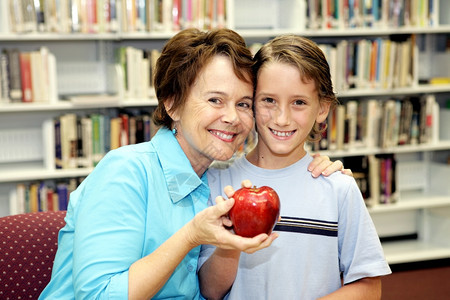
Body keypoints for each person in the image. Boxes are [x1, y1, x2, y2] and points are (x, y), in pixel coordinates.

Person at [39, 29, 340, 300]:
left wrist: (315, 171)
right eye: (215, 100)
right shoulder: (125, 171)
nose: (232, 118)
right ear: (172, 104)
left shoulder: (217, 181)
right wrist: (191, 235)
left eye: (243, 104)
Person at [198, 35, 392, 300]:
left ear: (322, 109)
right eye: (268, 100)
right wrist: (230, 243)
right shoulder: (219, 184)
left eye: (299, 102)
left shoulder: (338, 188)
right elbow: (210, 290)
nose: (282, 118)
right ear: (251, 101)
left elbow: (370, 287)